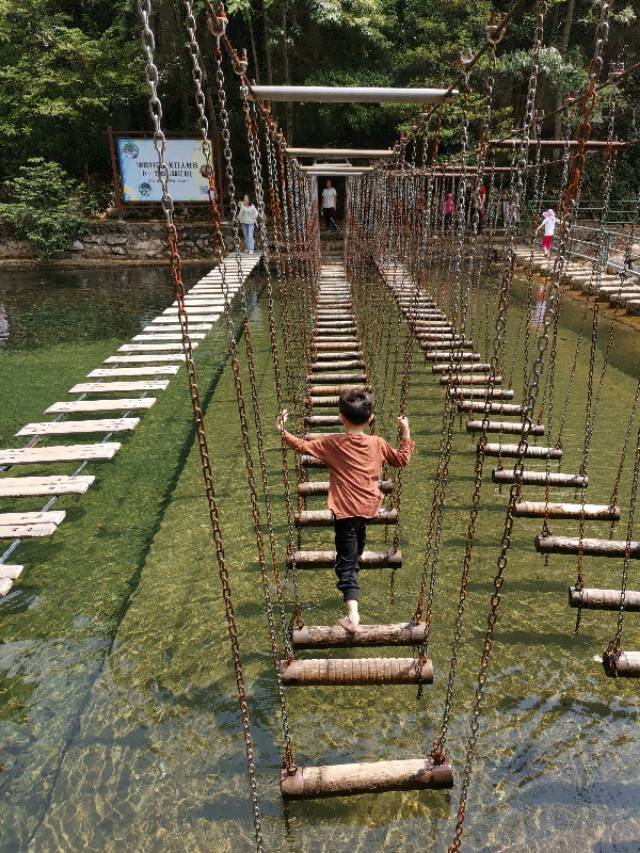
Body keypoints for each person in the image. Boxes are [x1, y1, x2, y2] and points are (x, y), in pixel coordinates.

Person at [276, 388, 414, 633]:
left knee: (345, 566)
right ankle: (358, 553)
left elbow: (302, 447)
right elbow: (402, 459)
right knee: (358, 535)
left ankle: (352, 617)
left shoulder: (332, 443)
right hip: (370, 506)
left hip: (344, 511)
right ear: (370, 418)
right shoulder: (378, 443)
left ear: (341, 417)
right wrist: (405, 431)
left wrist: (282, 432)